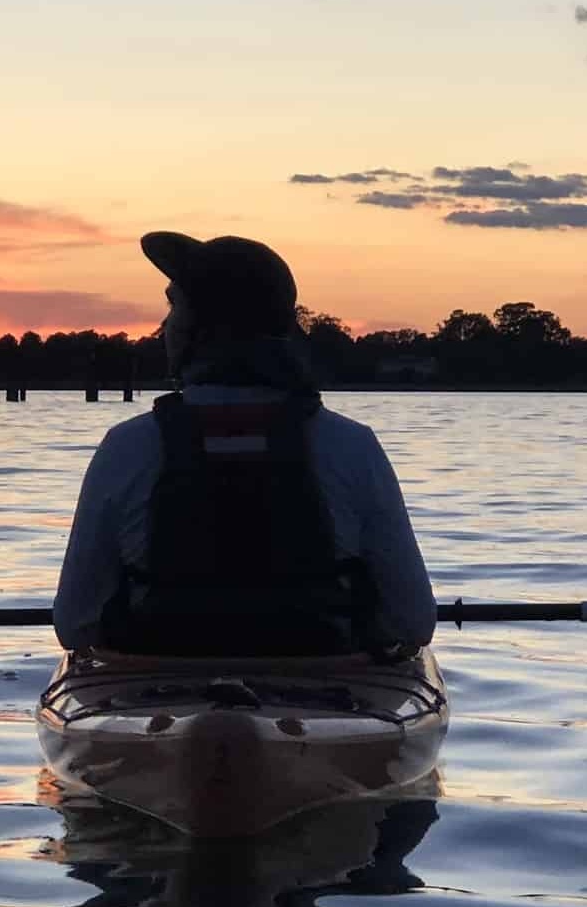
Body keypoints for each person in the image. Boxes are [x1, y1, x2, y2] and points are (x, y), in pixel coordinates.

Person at [53, 231, 436, 658]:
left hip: (157, 692)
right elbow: (414, 621)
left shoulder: (127, 447)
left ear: (203, 327)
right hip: (325, 690)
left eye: (174, 306)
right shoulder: (352, 446)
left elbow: (74, 625)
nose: (164, 326)